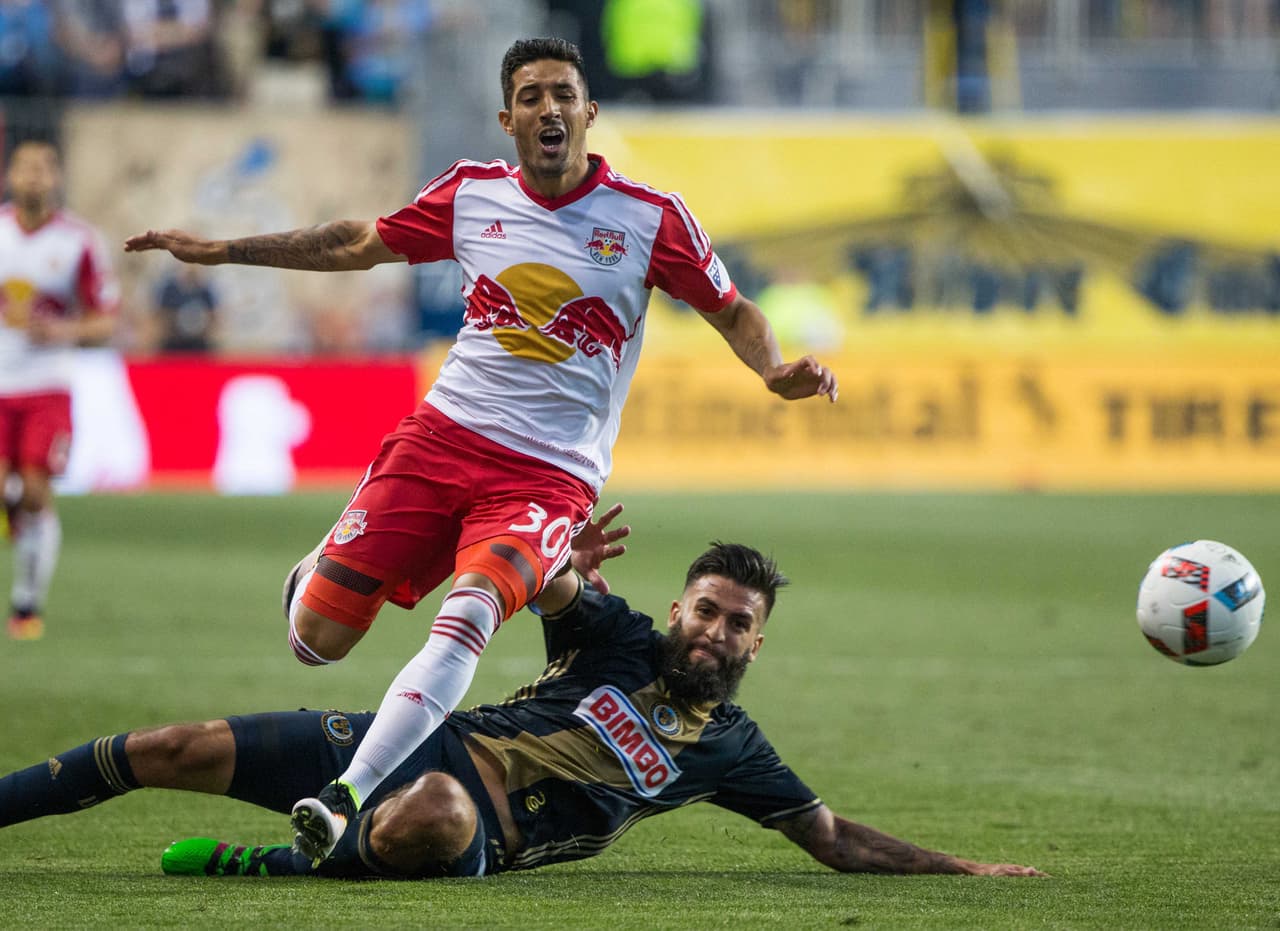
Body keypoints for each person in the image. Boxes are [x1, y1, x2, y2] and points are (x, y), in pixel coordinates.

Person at [123, 35, 840, 864]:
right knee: (314, 639)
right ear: (508, 117)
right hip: (441, 438)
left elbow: (735, 311)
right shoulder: (471, 195)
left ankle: (346, 791)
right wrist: (224, 249)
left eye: (564, 94)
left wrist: (774, 369)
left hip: (548, 475)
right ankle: (324, 555)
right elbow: (358, 241)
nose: (550, 109)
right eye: (531, 96)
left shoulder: (649, 218)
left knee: (468, 615)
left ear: (589, 112)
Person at [0, 510, 1045, 881]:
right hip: (409, 744)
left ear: (755, 645)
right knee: (169, 744)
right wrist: (557, 557)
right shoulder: (617, 635)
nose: (714, 630)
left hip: (476, 831)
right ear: (678, 611)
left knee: (440, 813)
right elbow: (549, 583)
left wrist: (963, 865)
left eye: (737, 621)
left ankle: (276, 859)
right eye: (705, 609)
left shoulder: (732, 750)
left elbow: (830, 837)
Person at [0, 139, 120, 640]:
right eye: (26, 167)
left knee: (33, 491)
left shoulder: (79, 241)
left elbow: (105, 320)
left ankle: (26, 604)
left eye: (44, 168)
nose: (34, 177)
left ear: (56, 178)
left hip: (48, 384)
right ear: (10, 175)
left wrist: (61, 331)